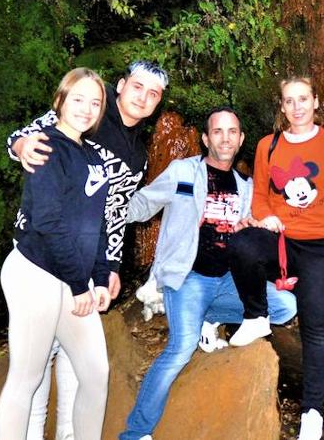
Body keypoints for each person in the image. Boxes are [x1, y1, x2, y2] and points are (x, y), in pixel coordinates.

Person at [6, 60, 167, 440]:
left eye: (153, 94)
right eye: (137, 87)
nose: (142, 97)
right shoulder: (86, 109)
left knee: (78, 360)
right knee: (38, 357)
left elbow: (114, 213)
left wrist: (109, 267)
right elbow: (27, 137)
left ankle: (68, 434)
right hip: (42, 255)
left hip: (85, 259)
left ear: (158, 103)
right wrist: (20, 144)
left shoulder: (138, 155)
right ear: (121, 85)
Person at [118, 106, 298, 440]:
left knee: (286, 306)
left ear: (241, 138)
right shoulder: (183, 172)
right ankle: (135, 432)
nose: (225, 138)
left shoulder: (248, 187)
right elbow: (144, 204)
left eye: (232, 131)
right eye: (218, 131)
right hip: (189, 278)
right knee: (181, 349)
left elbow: (262, 231)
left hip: (229, 281)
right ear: (205, 138)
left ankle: (209, 318)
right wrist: (105, 212)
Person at [0, 68, 113, 440]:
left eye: (95, 103)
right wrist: (80, 285)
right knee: (26, 379)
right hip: (36, 272)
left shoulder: (94, 157)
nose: (86, 109)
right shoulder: (45, 145)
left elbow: (100, 222)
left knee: (96, 374)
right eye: (78, 99)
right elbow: (47, 221)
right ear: (60, 101)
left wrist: (100, 275)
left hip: (73, 278)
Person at [228, 76, 324, 440]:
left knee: (317, 326)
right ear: (282, 107)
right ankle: (257, 316)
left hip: (323, 245)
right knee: (242, 243)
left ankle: (312, 412)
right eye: (289, 101)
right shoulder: (268, 145)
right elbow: (260, 194)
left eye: (303, 99)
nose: (297, 107)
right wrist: (265, 217)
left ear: (315, 102)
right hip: (280, 239)